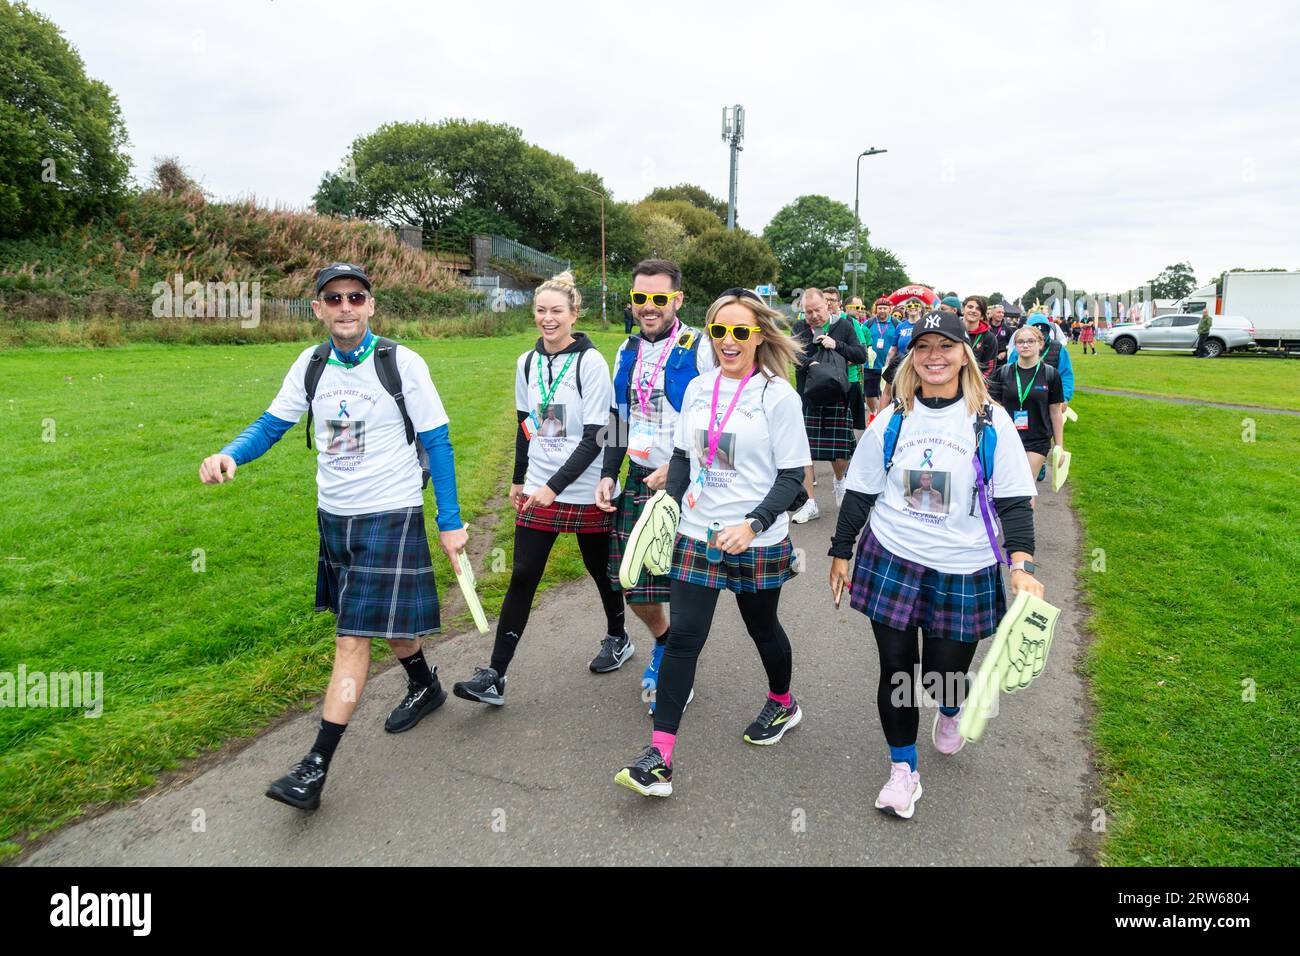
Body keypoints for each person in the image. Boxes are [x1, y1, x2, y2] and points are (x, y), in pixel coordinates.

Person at [200, 262, 468, 811]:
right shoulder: (312, 363)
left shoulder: (401, 363)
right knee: (391, 628)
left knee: (352, 639)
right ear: (318, 308)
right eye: (334, 298)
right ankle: (425, 685)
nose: (345, 306)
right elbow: (272, 425)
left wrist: (449, 520)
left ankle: (314, 766)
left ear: (371, 305)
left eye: (356, 297)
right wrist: (231, 453)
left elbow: (438, 441)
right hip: (335, 518)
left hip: (390, 513)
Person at [828, 309, 1043, 820]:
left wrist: (1022, 562)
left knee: (946, 671)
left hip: (963, 567)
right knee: (896, 668)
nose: (933, 357)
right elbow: (860, 488)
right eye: (923, 347)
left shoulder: (989, 422)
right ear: (912, 357)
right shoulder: (894, 418)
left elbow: (1014, 501)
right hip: (892, 557)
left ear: (964, 353)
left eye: (944, 346)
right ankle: (903, 770)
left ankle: (949, 708)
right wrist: (841, 551)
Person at [615, 289, 810, 798]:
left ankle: (783, 702)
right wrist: (671, 501)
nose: (728, 341)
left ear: (759, 336)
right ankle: (659, 757)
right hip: (697, 533)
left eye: (740, 332)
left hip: (756, 539)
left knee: (762, 628)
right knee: (684, 637)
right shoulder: (700, 388)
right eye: (719, 331)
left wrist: (753, 523)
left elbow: (794, 478)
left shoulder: (777, 396)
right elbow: (683, 456)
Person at [452, 271, 625, 705]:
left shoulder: (590, 362)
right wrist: (519, 478)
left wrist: (554, 485)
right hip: (539, 486)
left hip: (585, 488)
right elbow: (523, 424)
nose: (548, 319)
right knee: (524, 575)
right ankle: (495, 674)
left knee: (601, 573)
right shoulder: (526, 363)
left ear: (574, 314)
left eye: (556, 312)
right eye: (541, 311)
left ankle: (618, 636)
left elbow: (598, 435)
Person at [598, 259, 713, 710]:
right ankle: (664, 641)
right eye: (641, 298)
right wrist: (609, 471)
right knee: (631, 580)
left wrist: (684, 467)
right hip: (639, 477)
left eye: (659, 299)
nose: (649, 307)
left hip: (690, 483)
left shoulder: (699, 347)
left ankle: (677, 671)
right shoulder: (626, 349)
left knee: (683, 584)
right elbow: (618, 418)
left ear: (677, 300)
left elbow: (717, 419)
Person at [790, 287, 867, 516]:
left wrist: (837, 345)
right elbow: (791, 353)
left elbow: (860, 355)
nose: (813, 316)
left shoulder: (844, 326)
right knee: (805, 451)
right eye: (808, 311)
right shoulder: (800, 327)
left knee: (840, 451)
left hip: (837, 397)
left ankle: (840, 481)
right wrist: (809, 363)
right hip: (808, 397)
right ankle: (810, 503)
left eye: (817, 310)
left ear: (828, 306)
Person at [989, 325, 1065, 491]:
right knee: (1007, 486)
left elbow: (1055, 412)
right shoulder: (1003, 373)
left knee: (1025, 484)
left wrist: (1059, 445)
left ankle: (1026, 518)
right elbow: (993, 408)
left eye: (1031, 341)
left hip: (1037, 440)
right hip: (1007, 439)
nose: (1025, 345)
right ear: (1015, 346)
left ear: (1040, 344)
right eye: (1020, 342)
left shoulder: (1051, 375)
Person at [863, 297, 896, 417]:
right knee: (870, 394)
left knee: (886, 393)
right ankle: (873, 413)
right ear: (876, 309)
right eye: (880, 308)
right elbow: (861, 339)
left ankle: (882, 417)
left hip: (888, 366)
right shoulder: (869, 323)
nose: (882, 310)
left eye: (885, 308)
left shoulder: (896, 324)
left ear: (890, 310)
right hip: (870, 365)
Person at [843, 296, 870, 434]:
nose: (861, 311)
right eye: (857, 308)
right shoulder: (833, 321)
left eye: (862, 308)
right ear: (847, 307)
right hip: (832, 378)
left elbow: (862, 352)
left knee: (851, 420)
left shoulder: (855, 324)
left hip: (852, 377)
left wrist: (842, 361)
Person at [961, 295, 997, 378]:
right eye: (970, 307)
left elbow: (989, 368)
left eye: (978, 309)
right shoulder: (952, 330)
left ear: (982, 315)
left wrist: (979, 387)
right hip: (951, 383)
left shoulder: (989, 338)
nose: (973, 311)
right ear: (963, 310)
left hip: (975, 384)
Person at [988, 302, 1013, 367]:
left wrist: (1005, 352)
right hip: (987, 360)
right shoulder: (986, 327)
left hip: (1002, 363)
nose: (1001, 314)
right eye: (998, 312)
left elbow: (1012, 344)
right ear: (992, 314)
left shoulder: (1007, 329)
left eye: (1002, 313)